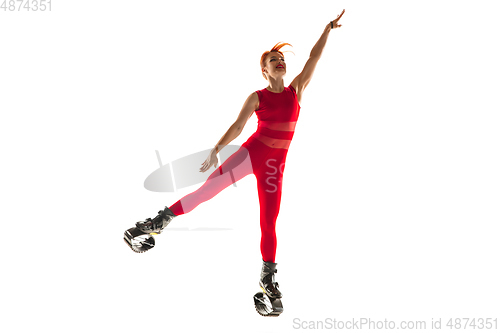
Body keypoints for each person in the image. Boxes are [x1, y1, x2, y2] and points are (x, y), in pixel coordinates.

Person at [135, 10, 345, 300]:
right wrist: (217, 149)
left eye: (282, 60)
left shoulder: (296, 91)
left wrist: (327, 30)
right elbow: (237, 126)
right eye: (274, 61)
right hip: (250, 154)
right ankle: (156, 223)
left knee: (269, 221)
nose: (280, 62)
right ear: (265, 71)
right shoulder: (257, 96)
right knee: (207, 190)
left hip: (274, 168)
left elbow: (313, 59)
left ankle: (267, 279)